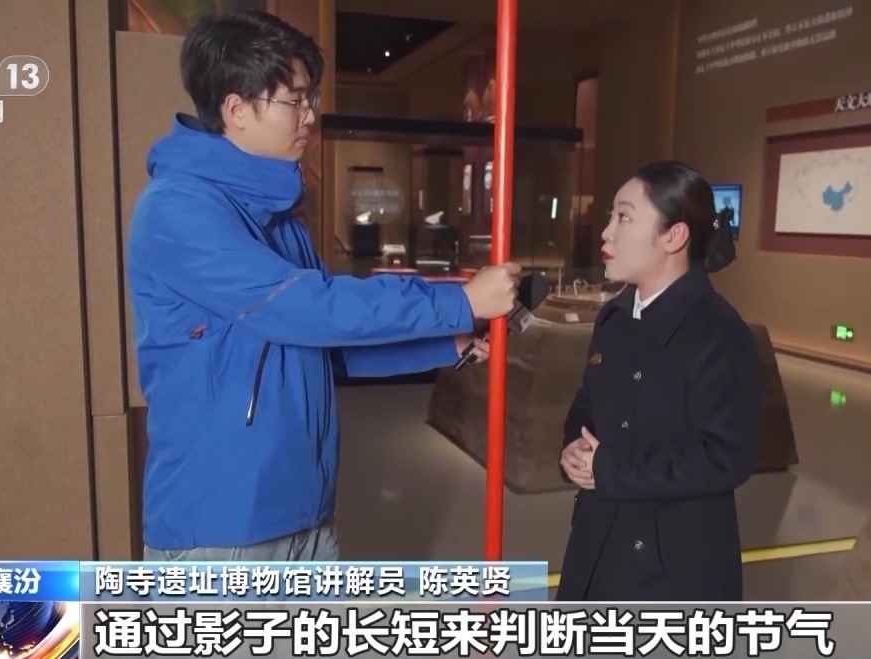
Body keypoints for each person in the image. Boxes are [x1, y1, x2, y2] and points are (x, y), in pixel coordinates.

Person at [126, 11, 519, 563]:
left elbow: (322, 345)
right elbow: (306, 309)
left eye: (310, 98)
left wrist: (442, 343)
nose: (310, 115)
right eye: (296, 100)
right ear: (236, 109)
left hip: (304, 508)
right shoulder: (179, 210)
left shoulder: (277, 215)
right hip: (221, 524)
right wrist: (460, 301)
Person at [556, 161, 763, 601]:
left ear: (674, 236)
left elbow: (725, 456)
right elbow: (588, 403)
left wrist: (608, 468)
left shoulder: (718, 333)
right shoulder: (614, 317)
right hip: (596, 537)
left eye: (624, 217)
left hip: (672, 566)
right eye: (611, 216)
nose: (606, 233)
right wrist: (574, 445)